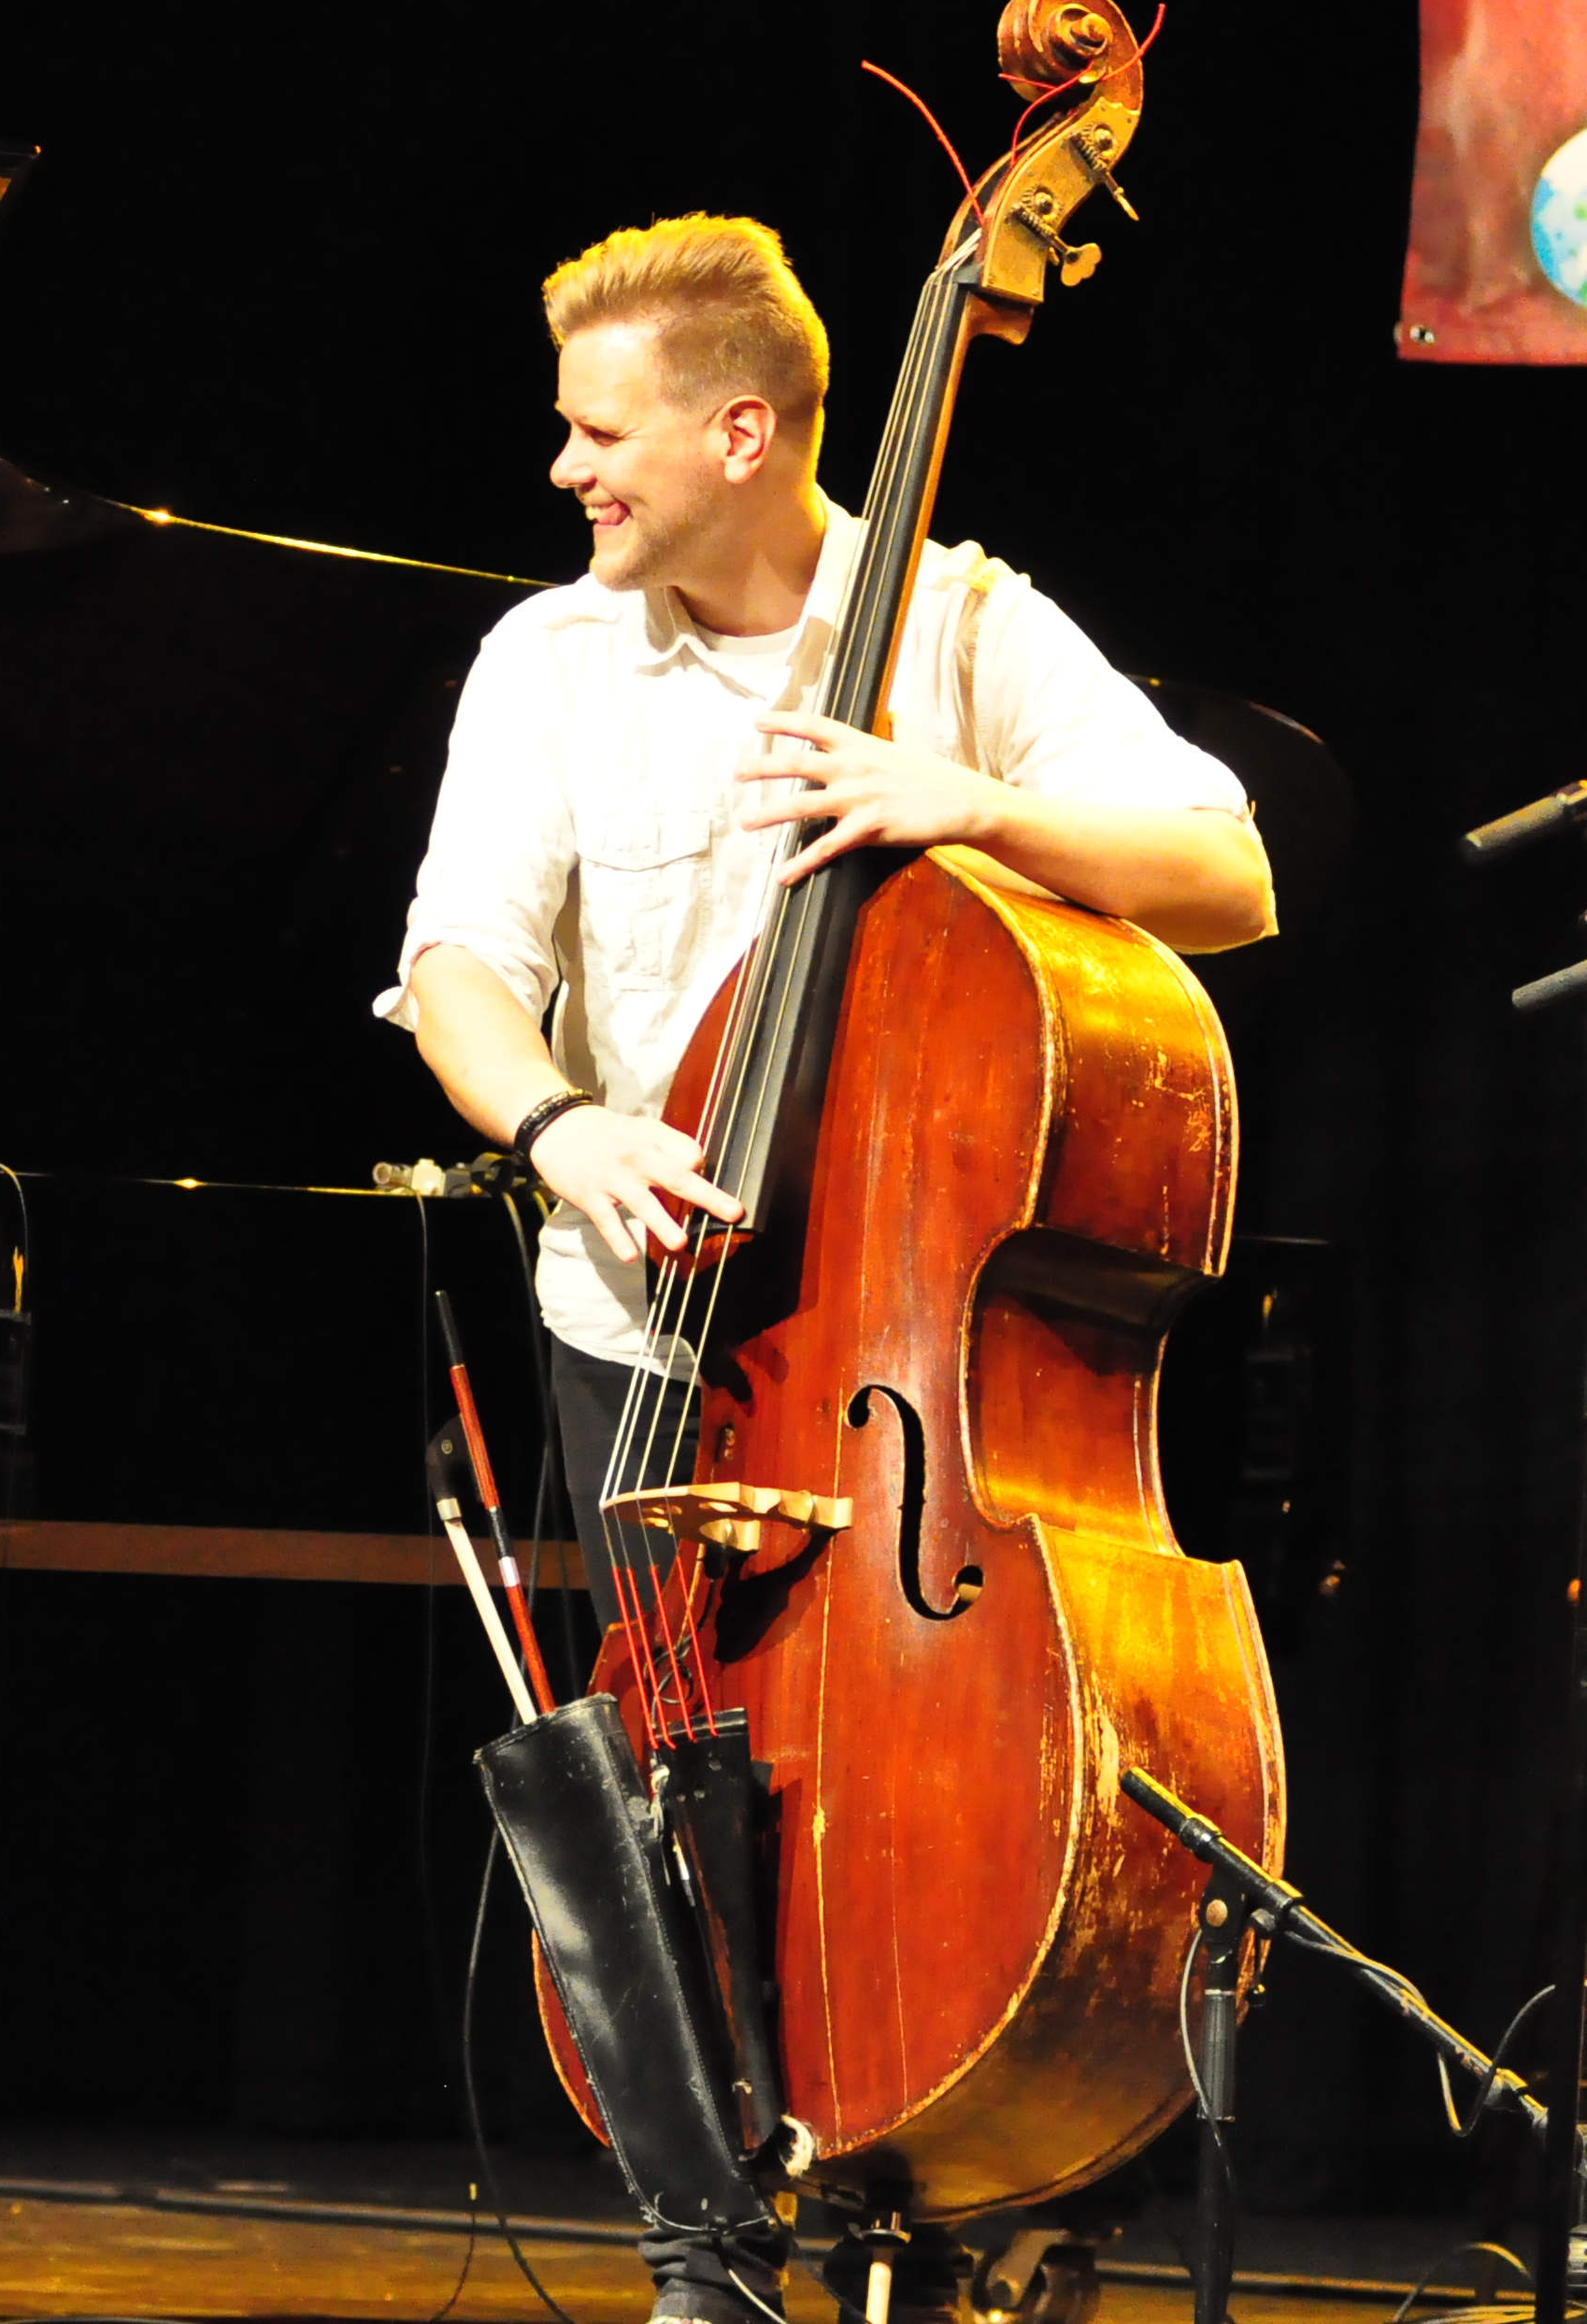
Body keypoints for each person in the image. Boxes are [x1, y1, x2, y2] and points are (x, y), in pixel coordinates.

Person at [379, 217, 1272, 2323]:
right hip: (654, 1321)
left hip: (909, 1354)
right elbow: (456, 967)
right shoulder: (546, 657)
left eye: (599, 431)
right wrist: (557, 1125)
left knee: (983, 1783)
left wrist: (958, 796)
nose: (566, 469)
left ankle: (987, 2192)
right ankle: (701, 2239)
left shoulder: (958, 623)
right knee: (678, 1794)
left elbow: (1225, 860)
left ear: (740, 426)